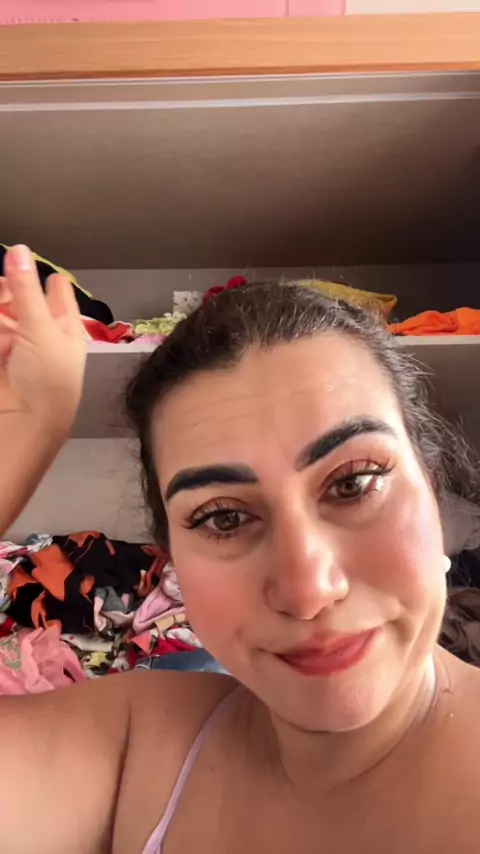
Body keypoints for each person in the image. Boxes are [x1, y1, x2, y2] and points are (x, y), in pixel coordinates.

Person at [1, 244, 480, 854]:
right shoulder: (140, 743)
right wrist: (27, 428)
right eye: (224, 518)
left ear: (432, 487)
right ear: (171, 556)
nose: (308, 591)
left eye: (353, 483)